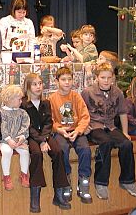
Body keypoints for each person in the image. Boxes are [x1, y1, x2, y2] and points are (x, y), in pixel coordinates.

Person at [81, 62, 136, 200]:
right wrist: (84, 126)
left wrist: (125, 132)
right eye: (103, 77)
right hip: (94, 126)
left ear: (113, 78)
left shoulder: (117, 92)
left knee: (127, 144)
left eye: (109, 78)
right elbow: (81, 111)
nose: (106, 81)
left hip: (111, 126)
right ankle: (101, 182)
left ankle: (128, 180)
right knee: (106, 143)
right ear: (97, 78)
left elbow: (122, 113)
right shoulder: (88, 92)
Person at [21, 73, 71, 213]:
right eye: (35, 84)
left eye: (40, 83)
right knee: (36, 154)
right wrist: (41, 141)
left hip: (45, 135)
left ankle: (59, 193)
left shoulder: (46, 102)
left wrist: (45, 138)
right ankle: (35, 197)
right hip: (31, 137)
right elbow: (27, 126)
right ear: (28, 87)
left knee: (58, 151)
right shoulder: (24, 104)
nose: (38, 87)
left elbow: (48, 123)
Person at [49, 66, 92, 204]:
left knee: (85, 149)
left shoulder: (76, 96)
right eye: (63, 79)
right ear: (57, 82)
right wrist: (59, 130)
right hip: (61, 132)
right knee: (63, 149)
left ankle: (83, 181)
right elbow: (51, 121)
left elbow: (85, 117)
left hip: (76, 131)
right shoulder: (52, 99)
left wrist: (78, 131)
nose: (67, 82)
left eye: (69, 79)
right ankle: (66, 180)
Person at [0, 85, 30, 190]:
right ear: (10, 99)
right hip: (5, 140)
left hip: (18, 140)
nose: (21, 101)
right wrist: (8, 139)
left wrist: (21, 137)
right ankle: (6, 176)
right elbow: (2, 127)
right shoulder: (1, 113)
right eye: (19, 99)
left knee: (25, 151)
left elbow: (25, 126)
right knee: (7, 152)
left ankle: (24, 175)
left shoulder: (22, 113)